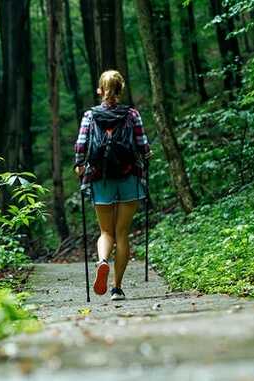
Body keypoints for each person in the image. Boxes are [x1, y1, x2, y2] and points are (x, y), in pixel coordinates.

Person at [73, 70, 151, 301]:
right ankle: (117, 288)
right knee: (122, 233)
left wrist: (79, 165)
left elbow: (81, 145)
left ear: (100, 90)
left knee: (105, 231)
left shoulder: (90, 115)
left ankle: (102, 261)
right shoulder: (132, 114)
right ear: (121, 89)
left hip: (100, 177)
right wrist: (147, 155)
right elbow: (142, 144)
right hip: (128, 177)